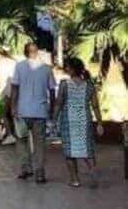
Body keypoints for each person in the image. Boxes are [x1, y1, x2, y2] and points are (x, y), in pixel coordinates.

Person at [54, 57, 103, 188]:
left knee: (69, 151)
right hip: (84, 121)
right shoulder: (89, 85)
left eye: (67, 67)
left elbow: (58, 104)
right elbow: (95, 106)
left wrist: (54, 120)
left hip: (68, 122)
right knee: (87, 148)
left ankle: (75, 179)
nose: (66, 69)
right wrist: (99, 123)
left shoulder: (64, 84)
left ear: (71, 69)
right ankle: (92, 170)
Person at [10, 42, 56, 183]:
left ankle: (25, 168)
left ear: (25, 52)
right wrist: (52, 108)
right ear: (38, 52)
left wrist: (13, 107)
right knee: (39, 143)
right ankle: (40, 173)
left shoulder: (19, 66)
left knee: (22, 141)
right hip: (40, 112)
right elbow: (52, 90)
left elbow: (15, 88)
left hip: (23, 111)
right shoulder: (47, 69)